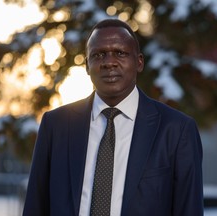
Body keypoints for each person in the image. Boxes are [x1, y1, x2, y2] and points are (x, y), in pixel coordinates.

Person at [23, 19, 204, 216]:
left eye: (120, 53)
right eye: (98, 55)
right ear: (86, 65)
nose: (108, 62)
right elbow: (35, 206)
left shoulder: (177, 129)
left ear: (139, 62)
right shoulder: (55, 125)